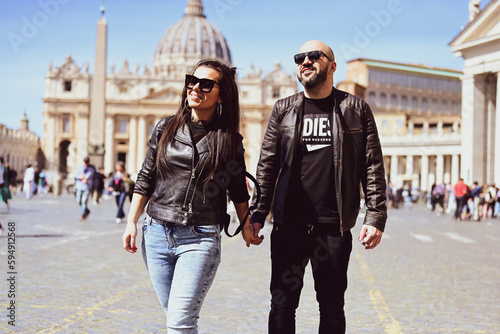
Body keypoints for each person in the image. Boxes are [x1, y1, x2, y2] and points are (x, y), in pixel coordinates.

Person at [249, 40, 387, 333]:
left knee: (332, 306)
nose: (306, 61)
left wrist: (375, 216)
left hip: (333, 228)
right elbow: (267, 166)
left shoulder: (356, 110)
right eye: (300, 57)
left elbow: (372, 165)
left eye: (314, 56)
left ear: (332, 66)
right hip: (288, 226)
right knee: (282, 305)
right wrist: (257, 214)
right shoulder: (283, 109)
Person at [122, 59, 264, 333]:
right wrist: (131, 221)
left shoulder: (229, 140)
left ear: (222, 94)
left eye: (206, 84)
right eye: (192, 80)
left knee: (179, 323)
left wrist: (246, 227)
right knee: (177, 319)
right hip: (156, 234)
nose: (195, 87)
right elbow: (146, 177)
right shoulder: (165, 128)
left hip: (200, 237)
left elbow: (237, 191)